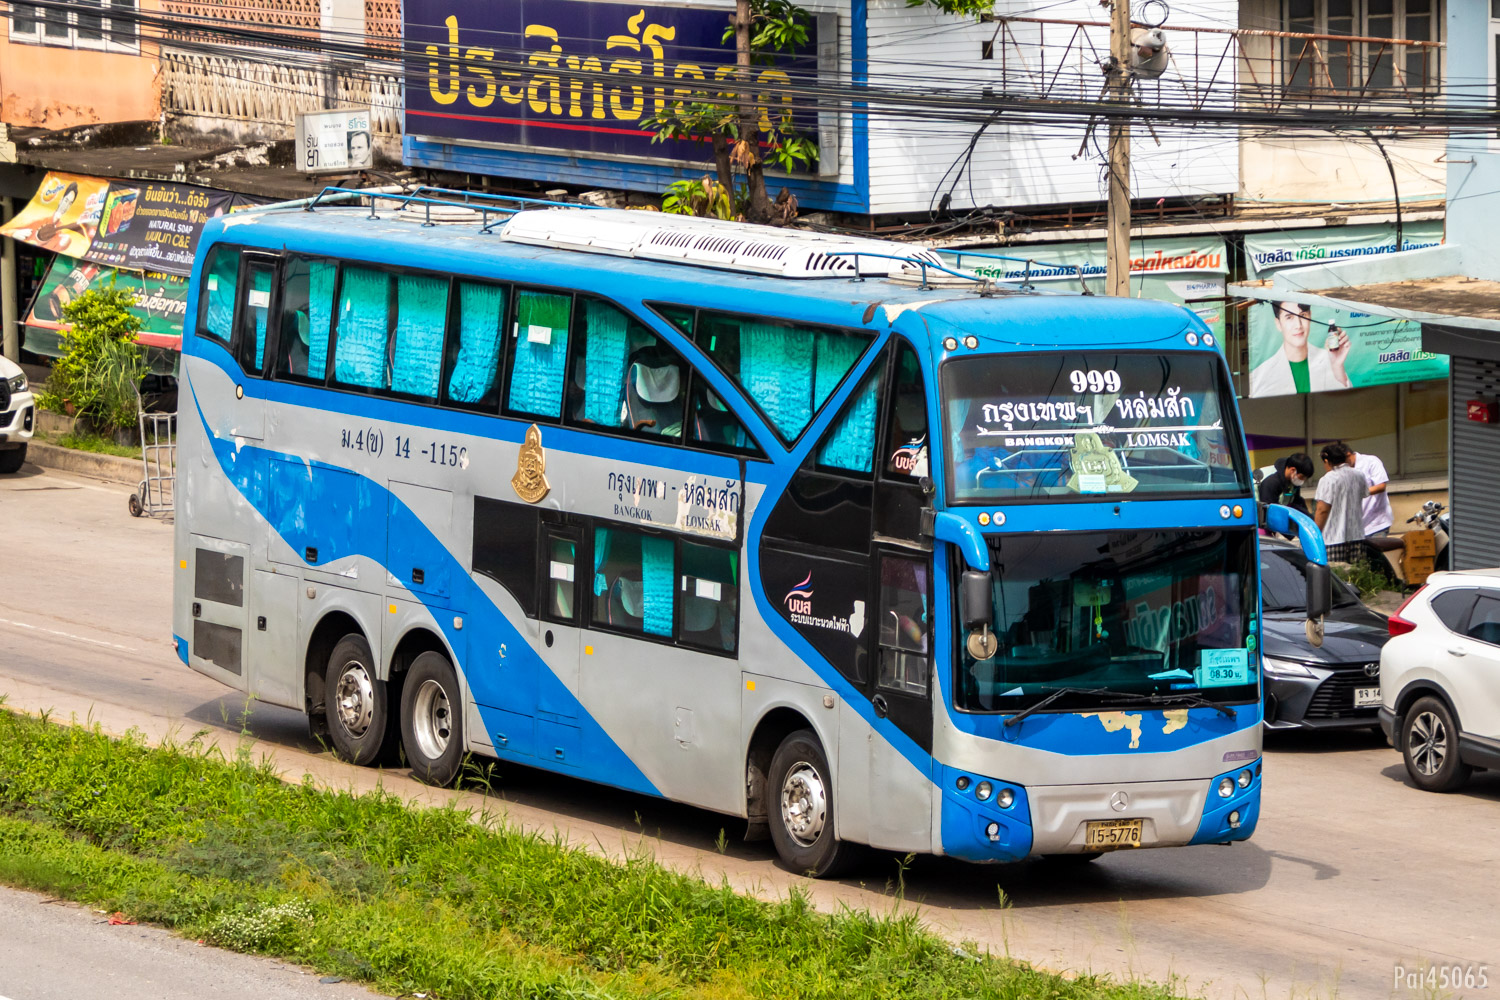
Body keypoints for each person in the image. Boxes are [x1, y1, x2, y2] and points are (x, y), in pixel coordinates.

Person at [1249, 301, 1352, 397]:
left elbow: (1346, 407)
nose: (1298, 325)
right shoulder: (1258, 377)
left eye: (1302, 315)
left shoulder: (1330, 361)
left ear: (1310, 316)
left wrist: (1337, 366)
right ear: (1278, 324)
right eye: (1289, 317)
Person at [1313, 442, 1368, 564]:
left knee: (1336, 578)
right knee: (1356, 577)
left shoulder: (1328, 479)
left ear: (1327, 461)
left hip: (1333, 539)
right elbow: (1364, 494)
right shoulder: (1359, 475)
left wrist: (1314, 534)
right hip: (1357, 535)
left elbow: (1322, 510)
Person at [1344, 444, 1393, 538]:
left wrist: (1359, 492)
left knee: (1375, 551)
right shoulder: (1343, 471)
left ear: (1348, 455)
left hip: (1377, 524)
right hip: (1355, 527)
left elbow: (1381, 486)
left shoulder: (1371, 461)